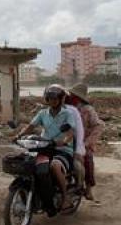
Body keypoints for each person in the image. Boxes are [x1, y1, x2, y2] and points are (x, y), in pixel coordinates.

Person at [14, 84, 76, 214]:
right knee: (27, 163)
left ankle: (65, 198)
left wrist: (64, 141)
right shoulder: (42, 113)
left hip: (63, 150)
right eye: (50, 98)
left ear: (61, 99)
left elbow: (70, 131)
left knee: (54, 165)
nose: (52, 101)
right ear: (47, 99)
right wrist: (19, 136)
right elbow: (31, 126)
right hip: (44, 147)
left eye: (55, 98)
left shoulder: (68, 113)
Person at [67, 83, 104, 201]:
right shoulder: (65, 106)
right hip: (66, 139)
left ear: (78, 97)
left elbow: (98, 126)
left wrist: (88, 142)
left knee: (87, 160)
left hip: (83, 141)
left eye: (73, 95)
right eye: (70, 95)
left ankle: (88, 188)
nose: (70, 97)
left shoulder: (87, 110)